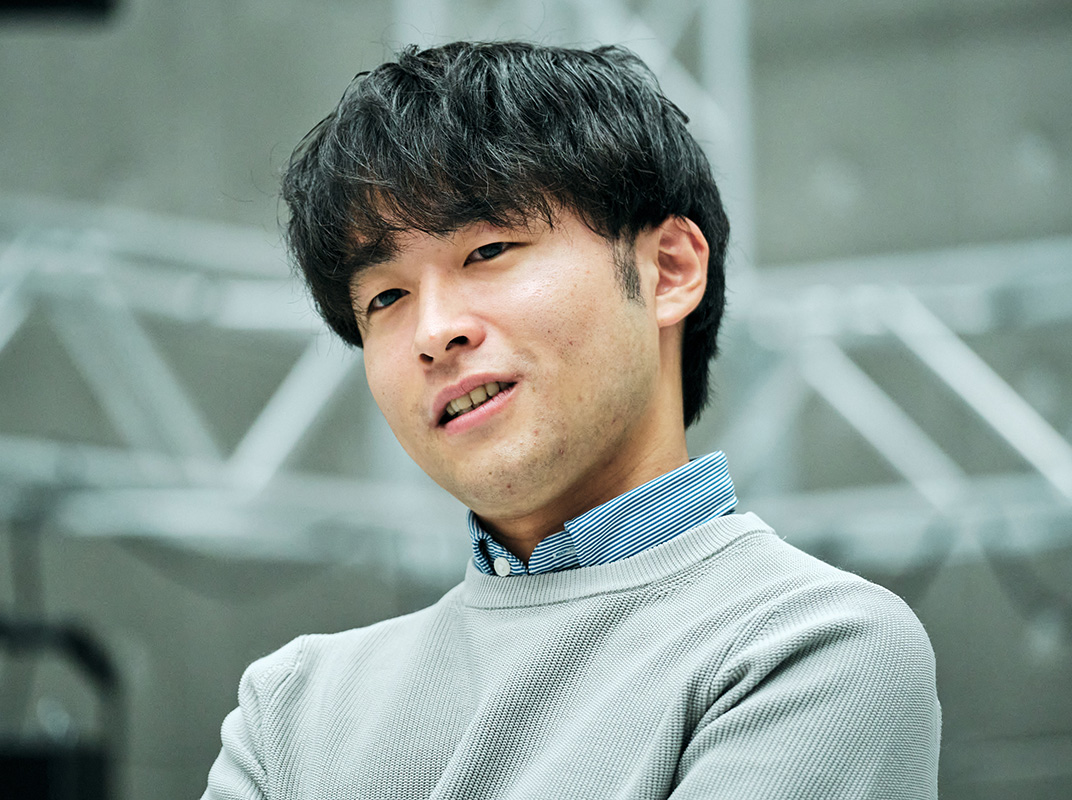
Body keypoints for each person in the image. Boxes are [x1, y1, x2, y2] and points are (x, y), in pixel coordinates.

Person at [203, 41, 940, 799]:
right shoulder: (293, 707)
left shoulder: (808, 644)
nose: (434, 332)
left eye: (488, 250)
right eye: (385, 298)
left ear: (670, 269)